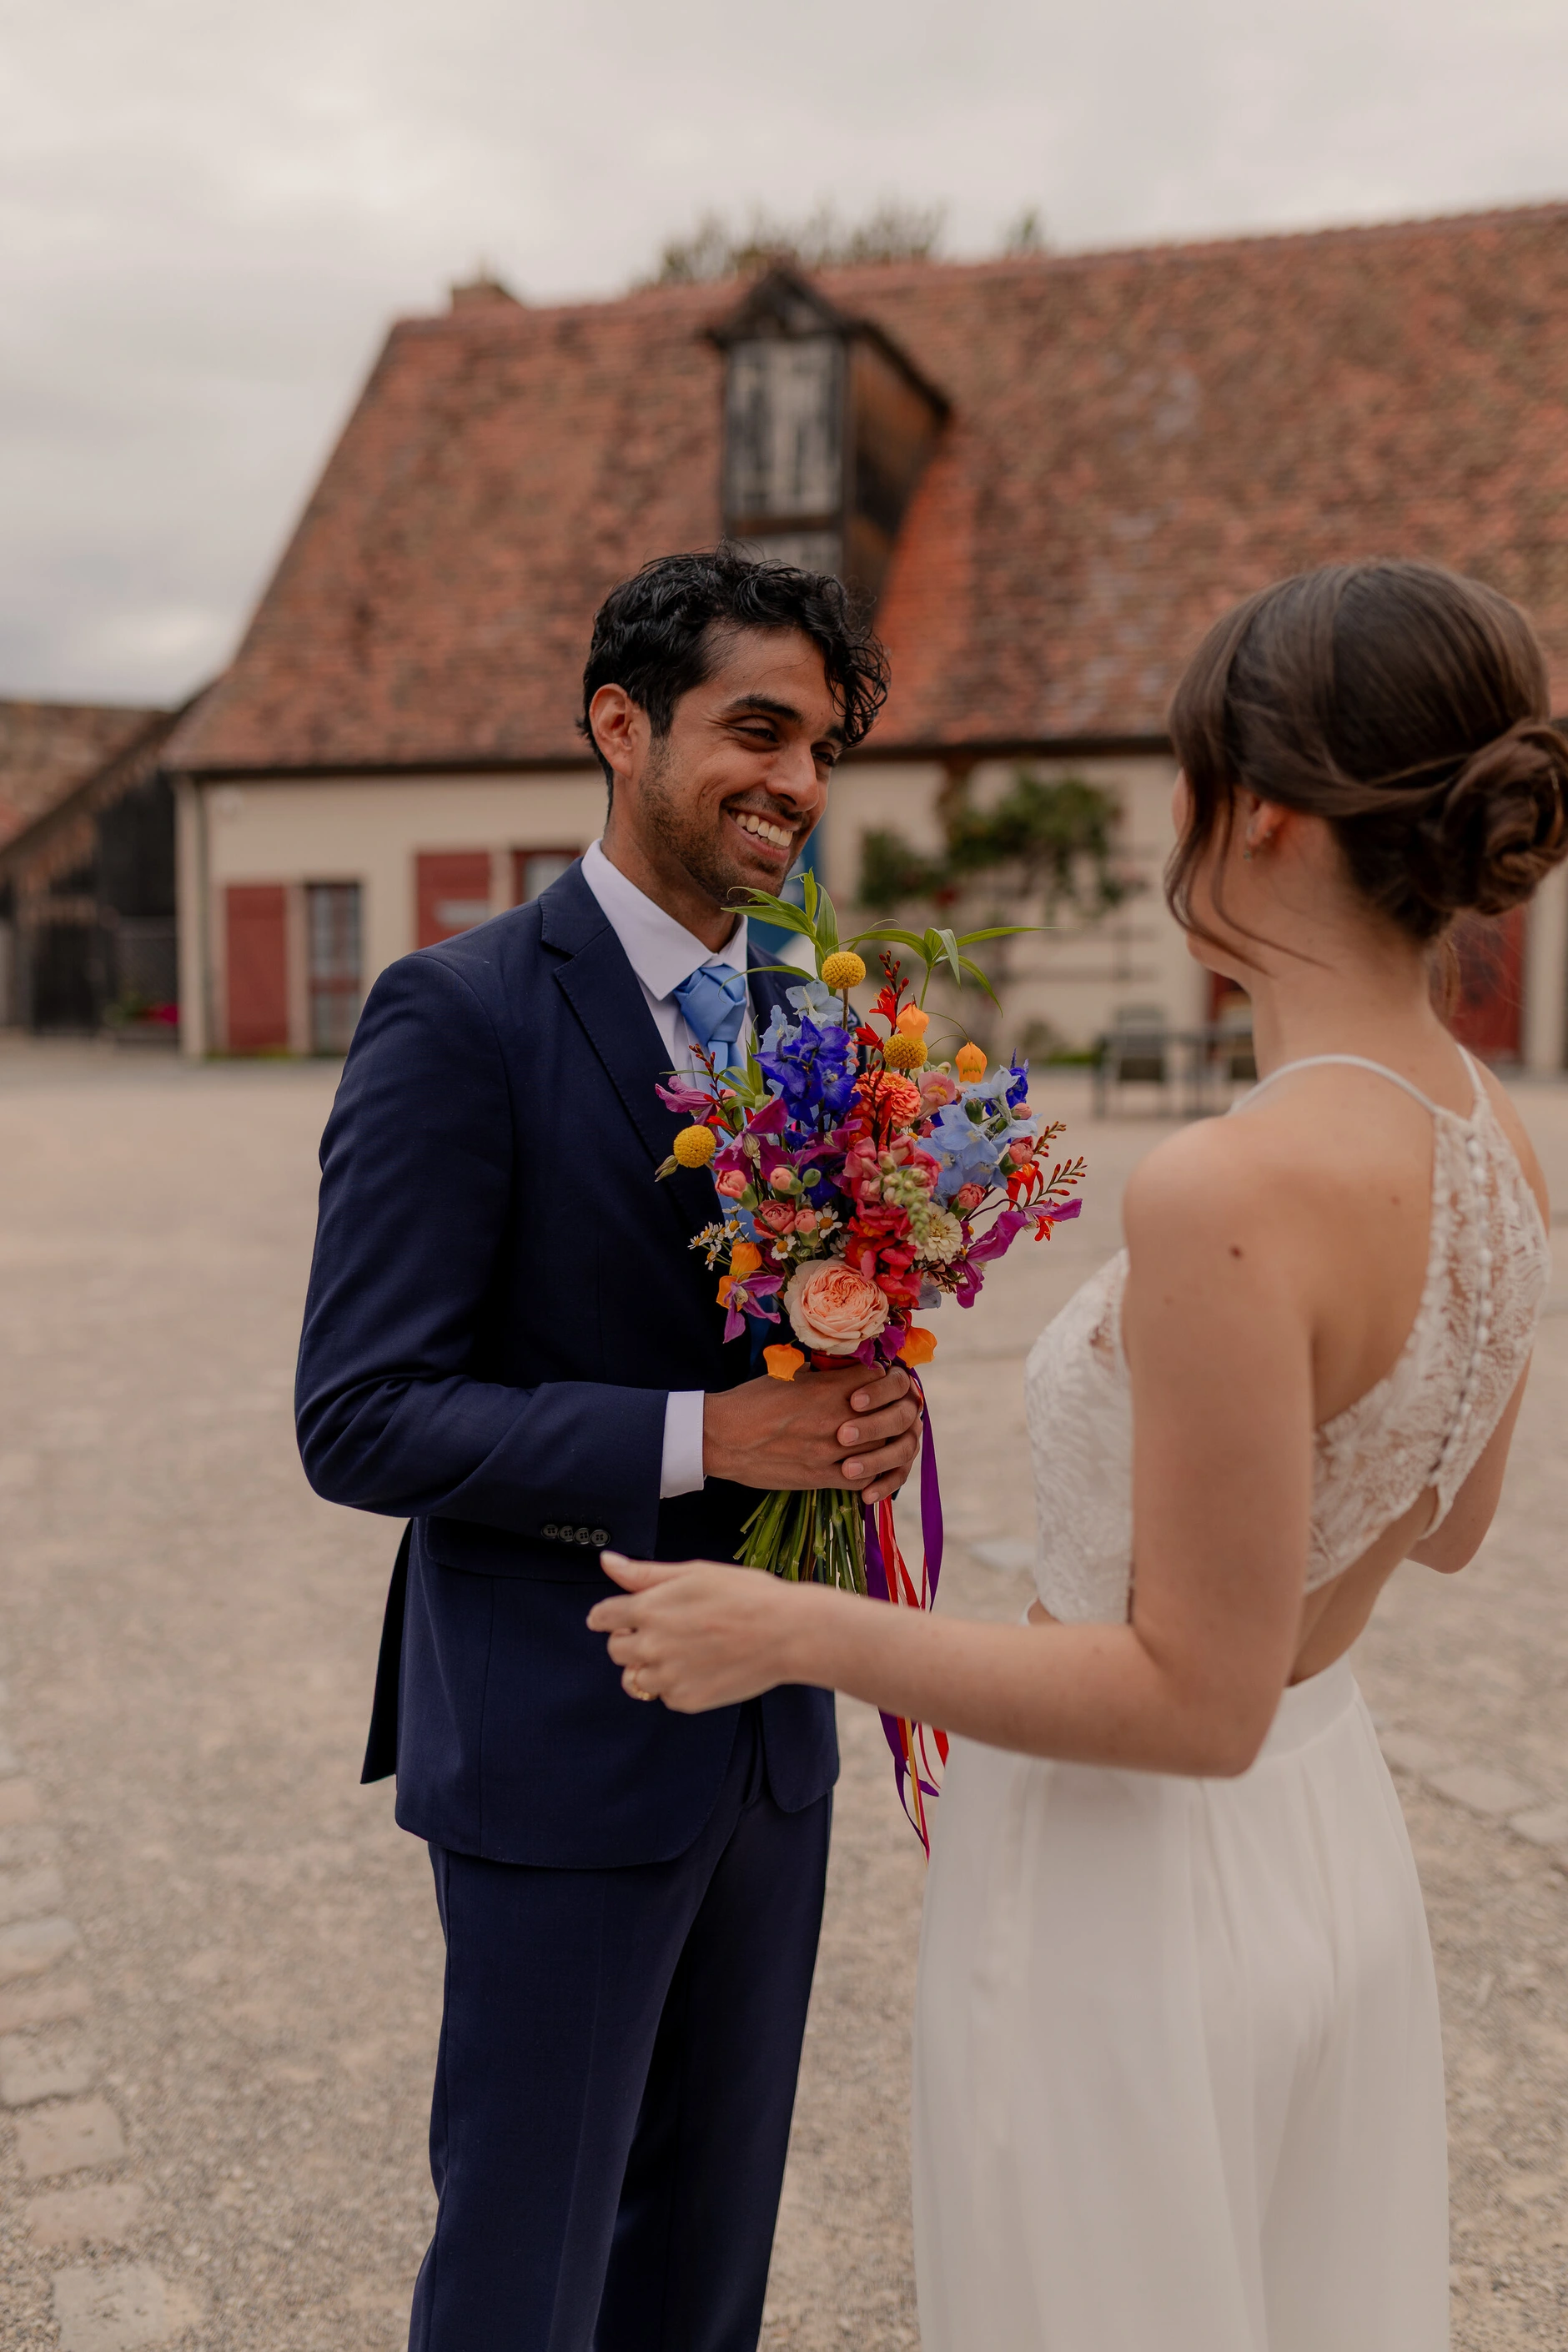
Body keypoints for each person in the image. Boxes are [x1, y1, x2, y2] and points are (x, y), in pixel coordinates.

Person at [586, 558, 1568, 2349]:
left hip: (1135, 1885)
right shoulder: (1492, 1130)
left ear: (1260, 817)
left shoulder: (1230, 1186)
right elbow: (1442, 1529)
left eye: (1187, 788)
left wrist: (787, 1627)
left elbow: (1197, 1703)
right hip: (1327, 1851)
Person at [294, 549, 924, 2351]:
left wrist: (861, 1417)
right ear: (618, 725)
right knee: (525, 2268)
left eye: (817, 746)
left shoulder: (820, 1016)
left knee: (704, 2269)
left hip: (769, 1747)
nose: (795, 782)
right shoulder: (459, 1013)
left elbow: (803, 1336)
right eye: (755, 729)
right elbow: (361, 1414)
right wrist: (705, 1431)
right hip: (556, 1739)